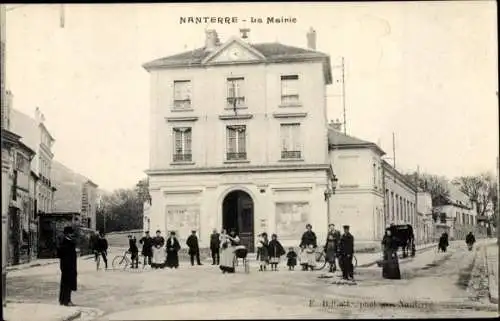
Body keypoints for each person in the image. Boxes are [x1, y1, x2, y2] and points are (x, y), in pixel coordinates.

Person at [57, 226, 77, 306]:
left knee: (65, 284)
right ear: (68, 234)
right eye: (71, 233)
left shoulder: (66, 242)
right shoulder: (66, 243)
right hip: (67, 267)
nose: (72, 234)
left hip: (69, 267)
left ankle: (63, 300)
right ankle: (66, 301)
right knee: (67, 284)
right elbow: (62, 255)